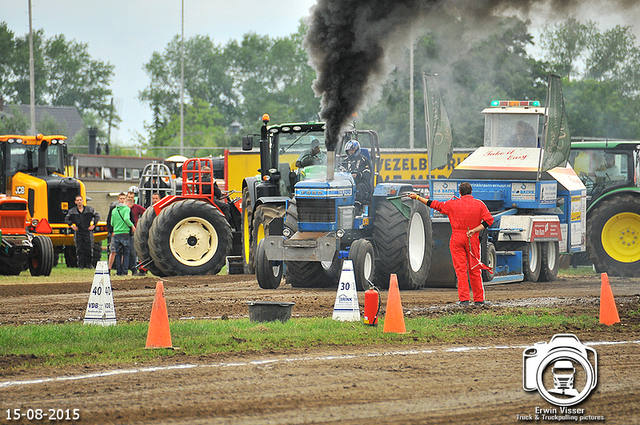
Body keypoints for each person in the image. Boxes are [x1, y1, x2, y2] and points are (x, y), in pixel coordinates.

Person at [409, 182, 494, 306]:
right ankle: (479, 299)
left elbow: (434, 204)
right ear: (471, 192)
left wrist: (417, 197)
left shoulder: (453, 204)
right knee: (475, 269)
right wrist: (475, 230)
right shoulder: (479, 204)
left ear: (459, 192)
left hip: (457, 238)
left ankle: (464, 299)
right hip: (472, 238)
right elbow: (489, 220)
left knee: (461, 270)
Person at [65, 195, 100, 269]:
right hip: (78, 232)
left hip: (87, 231)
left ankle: (89, 264)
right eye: (77, 200)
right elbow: (67, 219)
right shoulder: (72, 211)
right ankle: (80, 265)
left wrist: (93, 225)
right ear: (75, 202)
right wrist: (72, 226)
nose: (79, 202)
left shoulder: (89, 210)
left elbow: (97, 216)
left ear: (83, 201)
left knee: (89, 248)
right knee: (79, 248)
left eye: (80, 200)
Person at [338, 140, 372, 205]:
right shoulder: (345, 161)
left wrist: (358, 175)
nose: (350, 152)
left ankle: (357, 206)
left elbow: (368, 174)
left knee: (359, 187)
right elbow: (340, 169)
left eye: (352, 150)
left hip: (361, 182)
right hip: (347, 183)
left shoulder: (364, 160)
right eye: (349, 151)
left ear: (357, 150)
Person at [110, 192, 135, 276]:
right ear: (128, 204)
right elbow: (126, 219)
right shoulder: (126, 209)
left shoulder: (114, 210)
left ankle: (118, 271)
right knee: (126, 253)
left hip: (116, 233)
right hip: (124, 233)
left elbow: (112, 223)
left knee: (118, 254)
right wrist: (132, 226)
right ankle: (124, 271)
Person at [126, 191, 146, 275]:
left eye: (132, 197)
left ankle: (139, 269)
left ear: (134, 198)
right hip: (125, 231)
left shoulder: (137, 207)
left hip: (134, 231)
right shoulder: (123, 208)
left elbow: (146, 212)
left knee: (135, 250)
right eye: (129, 197)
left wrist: (140, 223)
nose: (130, 198)